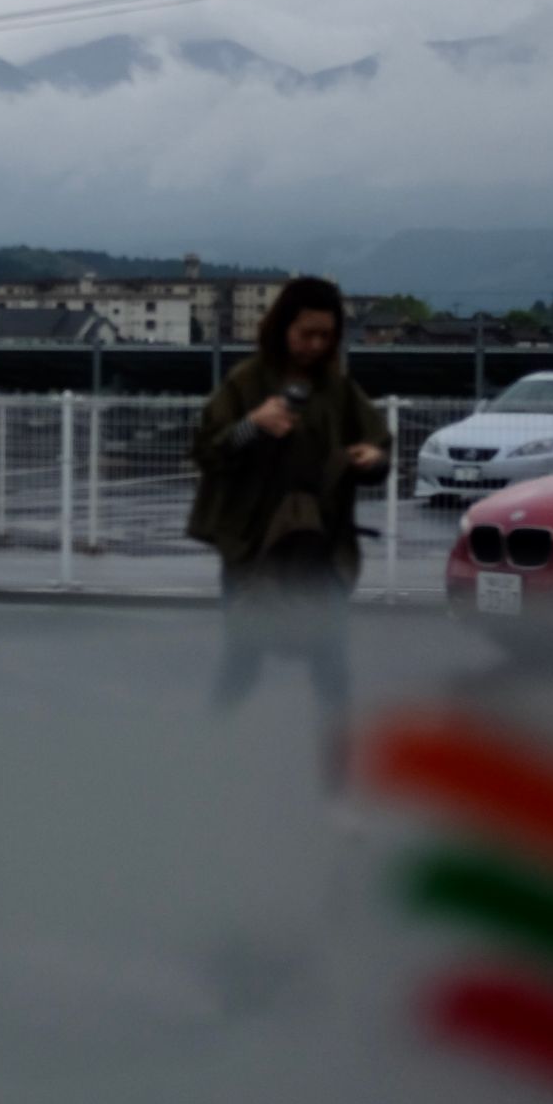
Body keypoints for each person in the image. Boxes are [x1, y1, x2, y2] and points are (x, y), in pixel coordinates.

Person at [187, 277, 391, 782]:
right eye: (306, 334)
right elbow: (207, 450)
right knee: (243, 659)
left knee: (331, 667)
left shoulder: (340, 393)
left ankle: (336, 785)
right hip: (251, 546)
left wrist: (371, 458)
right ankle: (207, 768)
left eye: (326, 336)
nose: (316, 346)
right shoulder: (247, 382)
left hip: (319, 548)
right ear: (282, 329)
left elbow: (378, 448)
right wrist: (253, 425)